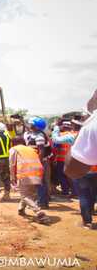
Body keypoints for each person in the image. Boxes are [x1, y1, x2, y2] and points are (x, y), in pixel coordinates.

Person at [64, 93, 97, 229]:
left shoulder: (83, 131)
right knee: (92, 194)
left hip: (83, 169)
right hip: (94, 171)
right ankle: (90, 213)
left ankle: (87, 221)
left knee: (84, 195)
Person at [9, 136, 49, 223]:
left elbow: (12, 164)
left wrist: (12, 178)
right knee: (29, 194)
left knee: (25, 195)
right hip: (38, 173)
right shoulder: (30, 149)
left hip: (25, 174)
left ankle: (39, 212)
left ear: (13, 143)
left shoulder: (14, 149)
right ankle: (21, 209)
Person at [24, 117, 51, 209]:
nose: (29, 125)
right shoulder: (33, 134)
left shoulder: (39, 136)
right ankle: (39, 201)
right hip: (33, 161)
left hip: (39, 162)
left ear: (35, 126)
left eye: (31, 124)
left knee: (40, 182)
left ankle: (42, 203)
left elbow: (41, 151)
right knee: (36, 182)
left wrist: (37, 164)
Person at [51, 121, 76, 196]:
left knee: (62, 176)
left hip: (61, 159)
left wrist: (54, 158)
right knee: (71, 176)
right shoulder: (75, 134)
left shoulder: (60, 136)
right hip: (72, 159)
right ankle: (74, 192)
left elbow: (55, 147)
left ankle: (65, 191)